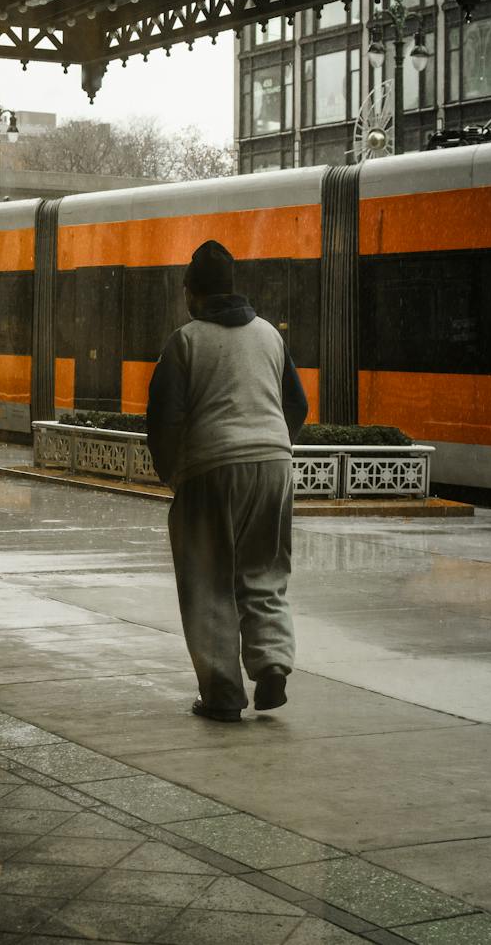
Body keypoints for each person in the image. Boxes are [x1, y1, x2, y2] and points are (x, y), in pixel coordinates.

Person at [146, 239, 309, 721]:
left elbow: (165, 421)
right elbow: (296, 405)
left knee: (208, 580)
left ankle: (221, 693)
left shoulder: (186, 341)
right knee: (264, 571)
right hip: (274, 464)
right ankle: (273, 663)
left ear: (192, 293)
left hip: (211, 468)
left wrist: (174, 473)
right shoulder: (269, 337)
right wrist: (271, 446)